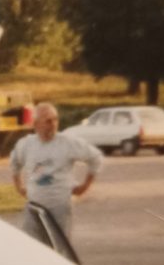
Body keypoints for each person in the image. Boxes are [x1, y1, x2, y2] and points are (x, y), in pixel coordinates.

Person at [9, 101, 104, 240]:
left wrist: (85, 186)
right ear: (36, 124)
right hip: (34, 206)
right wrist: (19, 186)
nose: (53, 124)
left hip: (60, 206)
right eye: (48, 121)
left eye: (55, 119)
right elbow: (14, 163)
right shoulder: (26, 144)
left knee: (58, 247)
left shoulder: (67, 142)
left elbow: (95, 158)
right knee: (31, 246)